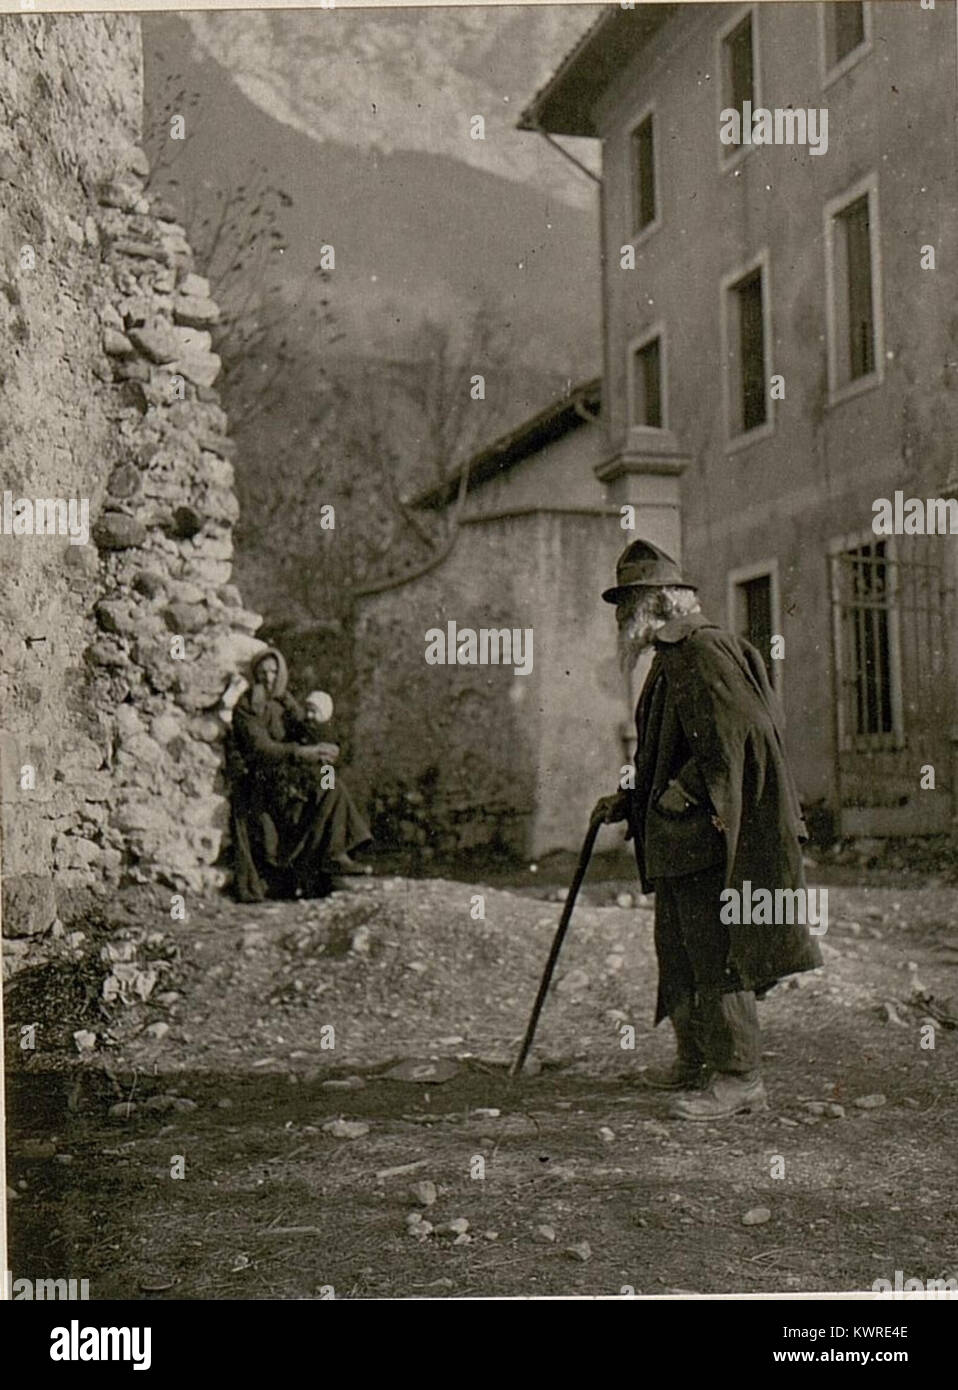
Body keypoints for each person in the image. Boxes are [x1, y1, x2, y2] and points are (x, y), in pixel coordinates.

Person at [593, 540, 822, 1120]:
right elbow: (674, 749)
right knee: (681, 952)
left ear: (664, 600)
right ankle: (696, 1061)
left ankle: (740, 1076)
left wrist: (687, 792)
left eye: (630, 603)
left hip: (704, 835)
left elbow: (745, 734)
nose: (623, 618)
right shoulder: (670, 659)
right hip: (676, 839)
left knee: (717, 952)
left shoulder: (703, 648)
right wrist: (629, 800)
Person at [226, 648, 372, 902]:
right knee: (321, 789)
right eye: (262, 673)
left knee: (330, 782)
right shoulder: (248, 707)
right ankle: (327, 857)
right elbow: (261, 749)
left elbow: (307, 726)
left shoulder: (285, 701)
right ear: (255, 676)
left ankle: (334, 854)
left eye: (273, 672)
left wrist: (325, 746)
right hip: (265, 780)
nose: (268, 678)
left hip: (293, 774)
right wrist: (302, 753)